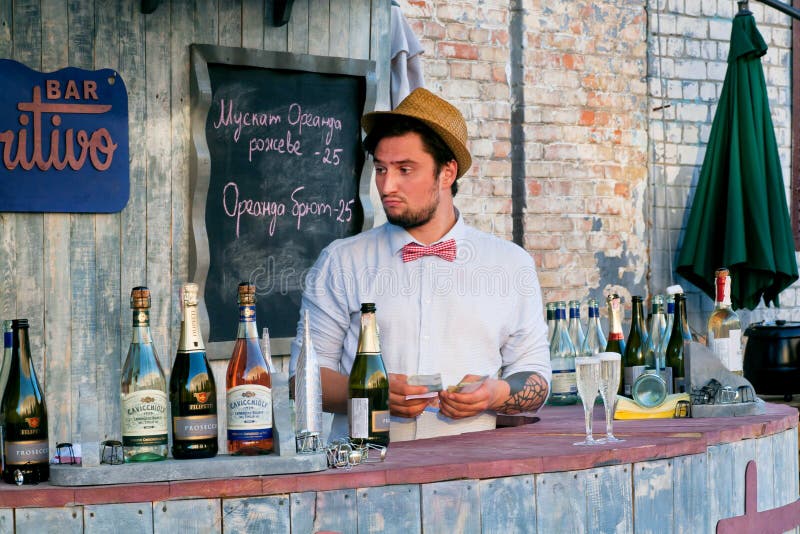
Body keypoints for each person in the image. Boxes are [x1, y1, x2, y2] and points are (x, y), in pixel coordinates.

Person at [289, 88, 551, 441]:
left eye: (405, 169)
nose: (387, 185)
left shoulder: (510, 264)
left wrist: (494, 394)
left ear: (447, 173)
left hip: (473, 472)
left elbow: (535, 377)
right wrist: (368, 392)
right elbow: (301, 379)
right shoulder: (340, 260)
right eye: (381, 169)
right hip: (360, 470)